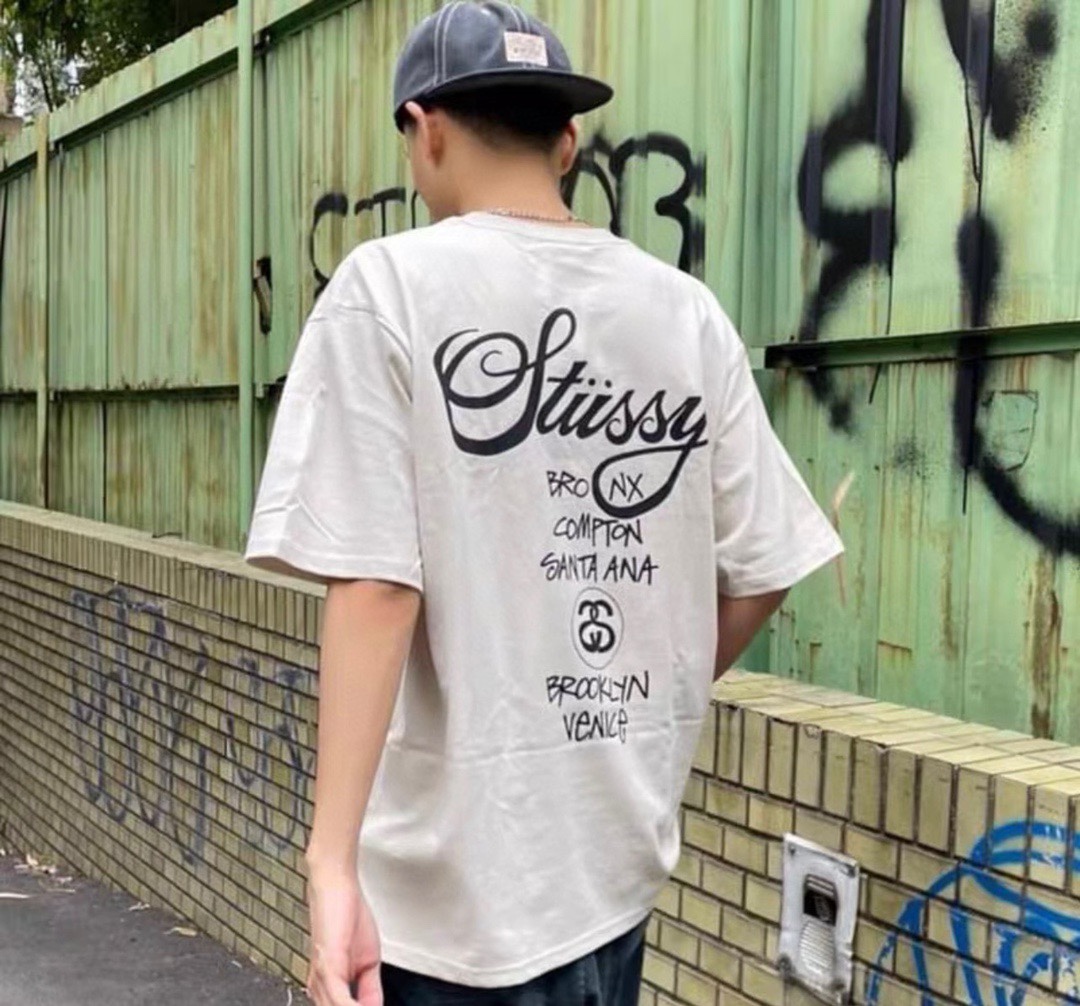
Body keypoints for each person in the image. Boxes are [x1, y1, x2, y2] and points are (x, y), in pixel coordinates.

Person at [242, 2, 845, 1004]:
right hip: (615, 878)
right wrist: (648, 690)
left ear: (424, 128)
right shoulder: (684, 312)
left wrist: (331, 863)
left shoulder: (389, 286)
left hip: (449, 917)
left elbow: (377, 587)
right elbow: (763, 567)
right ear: (567, 143)